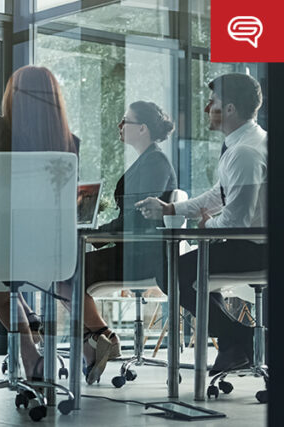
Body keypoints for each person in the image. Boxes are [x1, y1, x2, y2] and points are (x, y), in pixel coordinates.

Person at [0, 65, 79, 379]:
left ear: (12, 96)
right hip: (50, 255)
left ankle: (28, 351)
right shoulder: (69, 141)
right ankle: (39, 323)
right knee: (9, 265)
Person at [136, 73, 267, 375]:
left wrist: (207, 225)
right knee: (191, 273)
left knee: (170, 272)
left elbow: (236, 221)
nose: (208, 109)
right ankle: (236, 347)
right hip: (251, 244)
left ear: (230, 109)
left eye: (213, 103)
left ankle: (246, 340)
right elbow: (219, 195)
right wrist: (171, 207)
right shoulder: (247, 142)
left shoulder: (245, 152)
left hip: (254, 249)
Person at [69, 101, 177, 384]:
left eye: (125, 121)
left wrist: (97, 235)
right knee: (64, 270)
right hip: (128, 247)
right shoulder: (148, 159)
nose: (119, 126)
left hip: (142, 254)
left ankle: (105, 338)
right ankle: (98, 340)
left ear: (142, 128)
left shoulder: (156, 162)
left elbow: (137, 217)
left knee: (67, 271)